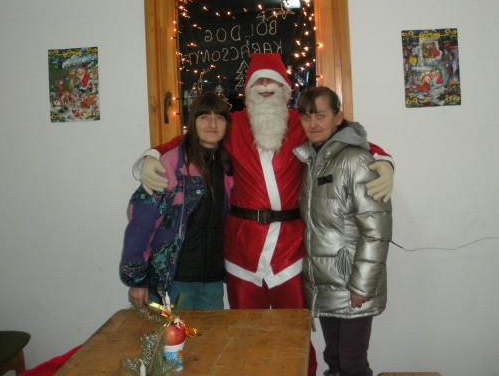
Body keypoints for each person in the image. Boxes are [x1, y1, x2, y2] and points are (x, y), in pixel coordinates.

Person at [134, 53, 394, 376]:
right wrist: (152, 155)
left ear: (286, 89)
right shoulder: (233, 125)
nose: (266, 86)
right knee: (244, 333)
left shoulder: (301, 124)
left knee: (296, 332)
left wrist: (384, 160)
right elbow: (192, 140)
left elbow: (348, 138)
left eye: (273, 80)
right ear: (248, 91)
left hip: (291, 248)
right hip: (242, 247)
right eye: (259, 81)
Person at [293, 86, 392, 376]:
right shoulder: (312, 160)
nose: (313, 124)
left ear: (338, 118)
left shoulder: (356, 161)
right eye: (307, 117)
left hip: (352, 284)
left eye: (320, 115)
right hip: (325, 284)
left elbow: (376, 231)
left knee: (352, 364)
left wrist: (362, 286)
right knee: (334, 360)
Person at [119, 92, 234, 310]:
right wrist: (137, 279)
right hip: (174, 281)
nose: (212, 124)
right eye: (204, 117)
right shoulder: (172, 163)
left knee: (211, 333)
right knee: (172, 334)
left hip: (212, 281)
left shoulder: (227, 166)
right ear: (192, 122)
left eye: (219, 117)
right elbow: (142, 220)